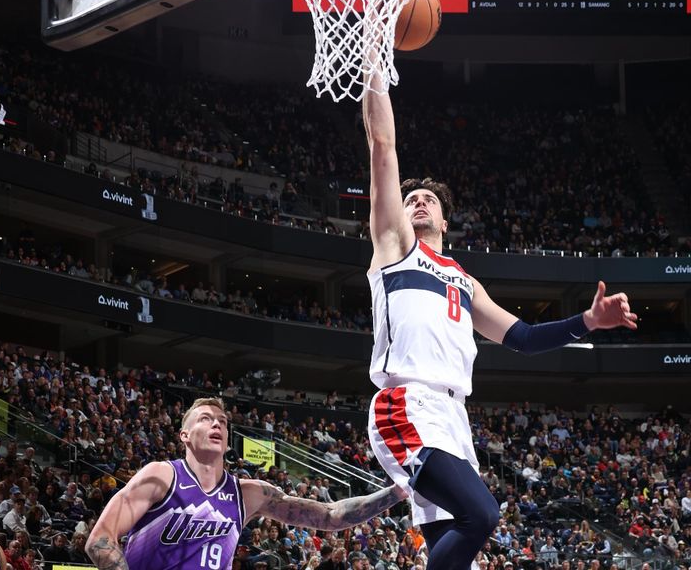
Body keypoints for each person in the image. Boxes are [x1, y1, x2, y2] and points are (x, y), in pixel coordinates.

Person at [361, 68, 639, 569]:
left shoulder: (465, 283)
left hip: (452, 418)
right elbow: (382, 145)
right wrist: (377, 75)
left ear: (446, 221)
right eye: (410, 200)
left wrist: (588, 323)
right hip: (407, 404)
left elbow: (526, 338)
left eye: (429, 200)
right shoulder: (395, 247)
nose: (418, 202)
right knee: (483, 515)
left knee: (457, 548)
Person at [86, 397, 405, 570]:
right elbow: (99, 539)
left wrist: (397, 491)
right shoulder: (161, 475)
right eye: (205, 419)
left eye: (222, 422)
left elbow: (330, 515)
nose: (216, 424)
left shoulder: (248, 493)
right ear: (184, 435)